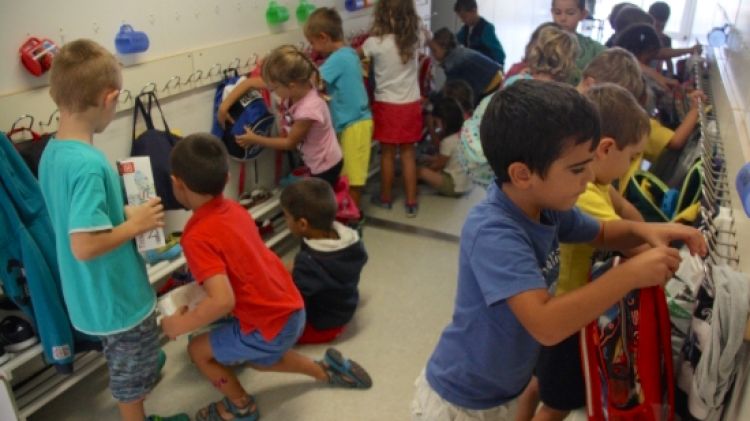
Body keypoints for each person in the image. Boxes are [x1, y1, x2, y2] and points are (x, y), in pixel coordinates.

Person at [411, 80, 707, 421]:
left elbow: (604, 232)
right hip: (459, 402)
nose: (588, 178)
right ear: (523, 174)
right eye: (578, 168)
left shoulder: (545, 206)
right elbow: (546, 323)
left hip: (501, 392)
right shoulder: (494, 230)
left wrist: (652, 230)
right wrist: (629, 274)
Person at [161, 133, 372, 421]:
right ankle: (326, 371)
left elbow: (222, 300)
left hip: (268, 323)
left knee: (198, 351)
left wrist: (179, 324)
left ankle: (240, 406)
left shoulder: (196, 236)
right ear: (226, 180)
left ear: (177, 183)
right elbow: (241, 269)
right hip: (292, 308)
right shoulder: (235, 210)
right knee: (263, 360)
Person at [38, 39, 187, 421]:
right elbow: (84, 245)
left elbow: (77, 216)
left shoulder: (54, 153)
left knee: (125, 364)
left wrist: (125, 213)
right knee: (129, 380)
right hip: (116, 299)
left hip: (88, 296)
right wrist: (135, 224)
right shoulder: (89, 164)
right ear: (110, 98)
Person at [515, 83, 650, 421]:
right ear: (605, 149)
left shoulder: (597, 186)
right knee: (557, 403)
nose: (632, 166)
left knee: (536, 383)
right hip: (569, 313)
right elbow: (633, 245)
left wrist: (623, 206)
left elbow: (634, 221)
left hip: (559, 302)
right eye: (632, 157)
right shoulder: (585, 194)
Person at [457, 25, 579, 188]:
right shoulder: (545, 98)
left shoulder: (519, 77)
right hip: (487, 157)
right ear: (569, 63)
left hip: (471, 145)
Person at [237, 45, 343, 188]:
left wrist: (255, 139)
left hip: (326, 166)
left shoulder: (308, 110)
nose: (272, 92)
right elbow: (260, 82)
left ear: (291, 86)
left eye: (274, 89)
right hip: (317, 160)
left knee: (319, 206)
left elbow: (289, 143)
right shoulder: (302, 84)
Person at [280, 178, 368, 344]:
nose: (286, 221)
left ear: (302, 224)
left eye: (286, 217)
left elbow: (294, 303)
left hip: (322, 327)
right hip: (344, 308)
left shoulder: (309, 262)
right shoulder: (351, 241)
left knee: (270, 329)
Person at [360, 0, 424, 217]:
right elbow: (428, 37)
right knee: (408, 154)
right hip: (411, 104)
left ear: (381, 14)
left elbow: (359, 58)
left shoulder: (374, 43)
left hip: (387, 105)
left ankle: (385, 198)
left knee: (387, 154)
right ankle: (411, 201)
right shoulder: (415, 39)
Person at [304, 7, 373, 207]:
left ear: (323, 37)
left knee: (353, 181)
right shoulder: (349, 52)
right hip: (353, 124)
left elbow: (311, 80)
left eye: (312, 42)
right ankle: (347, 215)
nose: (313, 48)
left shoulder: (338, 59)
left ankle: (351, 220)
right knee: (349, 176)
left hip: (355, 126)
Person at [614, 23, 707, 164]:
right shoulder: (638, 124)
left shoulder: (618, 66)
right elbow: (676, 141)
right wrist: (695, 110)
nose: (653, 59)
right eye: (649, 57)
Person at [428, 28, 503, 105]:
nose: (432, 54)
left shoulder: (452, 61)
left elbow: (449, 88)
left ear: (444, 48)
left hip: (491, 85)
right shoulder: (458, 52)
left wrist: (432, 98)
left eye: (434, 50)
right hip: (495, 77)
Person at [418, 97, 472, 197]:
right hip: (467, 183)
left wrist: (423, 168)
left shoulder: (448, 141)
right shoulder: (464, 133)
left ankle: (410, 188)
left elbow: (439, 165)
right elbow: (450, 158)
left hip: (454, 186)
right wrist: (430, 159)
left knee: (420, 171)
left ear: (445, 121)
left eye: (437, 121)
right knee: (429, 162)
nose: (436, 124)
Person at [550, 0, 605, 82]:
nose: (563, 18)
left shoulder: (595, 50)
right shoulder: (540, 44)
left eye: (570, 13)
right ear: (552, 12)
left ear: (583, 14)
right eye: (557, 13)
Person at [648, 2, 703, 76]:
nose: (659, 31)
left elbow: (669, 63)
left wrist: (671, 78)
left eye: (662, 27)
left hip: (657, 77)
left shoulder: (666, 39)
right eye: (657, 26)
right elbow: (658, 53)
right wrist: (690, 50)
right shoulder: (642, 37)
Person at [453, 0, 506, 67]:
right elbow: (456, 40)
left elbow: (500, 55)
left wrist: (496, 69)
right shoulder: (466, 29)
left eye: (464, 17)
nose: (462, 20)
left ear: (474, 11)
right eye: (460, 17)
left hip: (486, 70)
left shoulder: (486, 28)